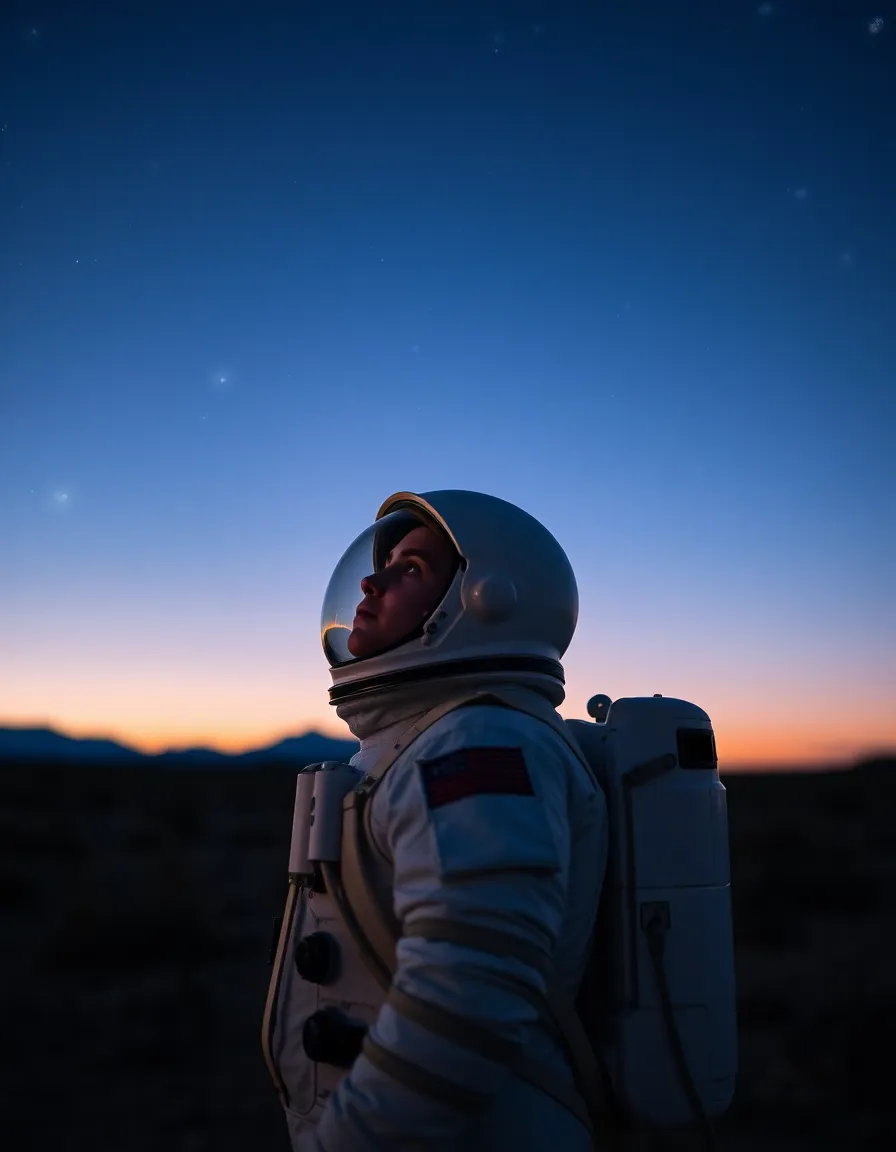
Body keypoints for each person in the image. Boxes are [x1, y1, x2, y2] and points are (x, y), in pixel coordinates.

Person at [264, 489, 609, 1151]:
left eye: (412, 569)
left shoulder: (478, 741)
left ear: (484, 600)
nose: (372, 582)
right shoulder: (430, 737)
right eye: (383, 564)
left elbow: (465, 1001)